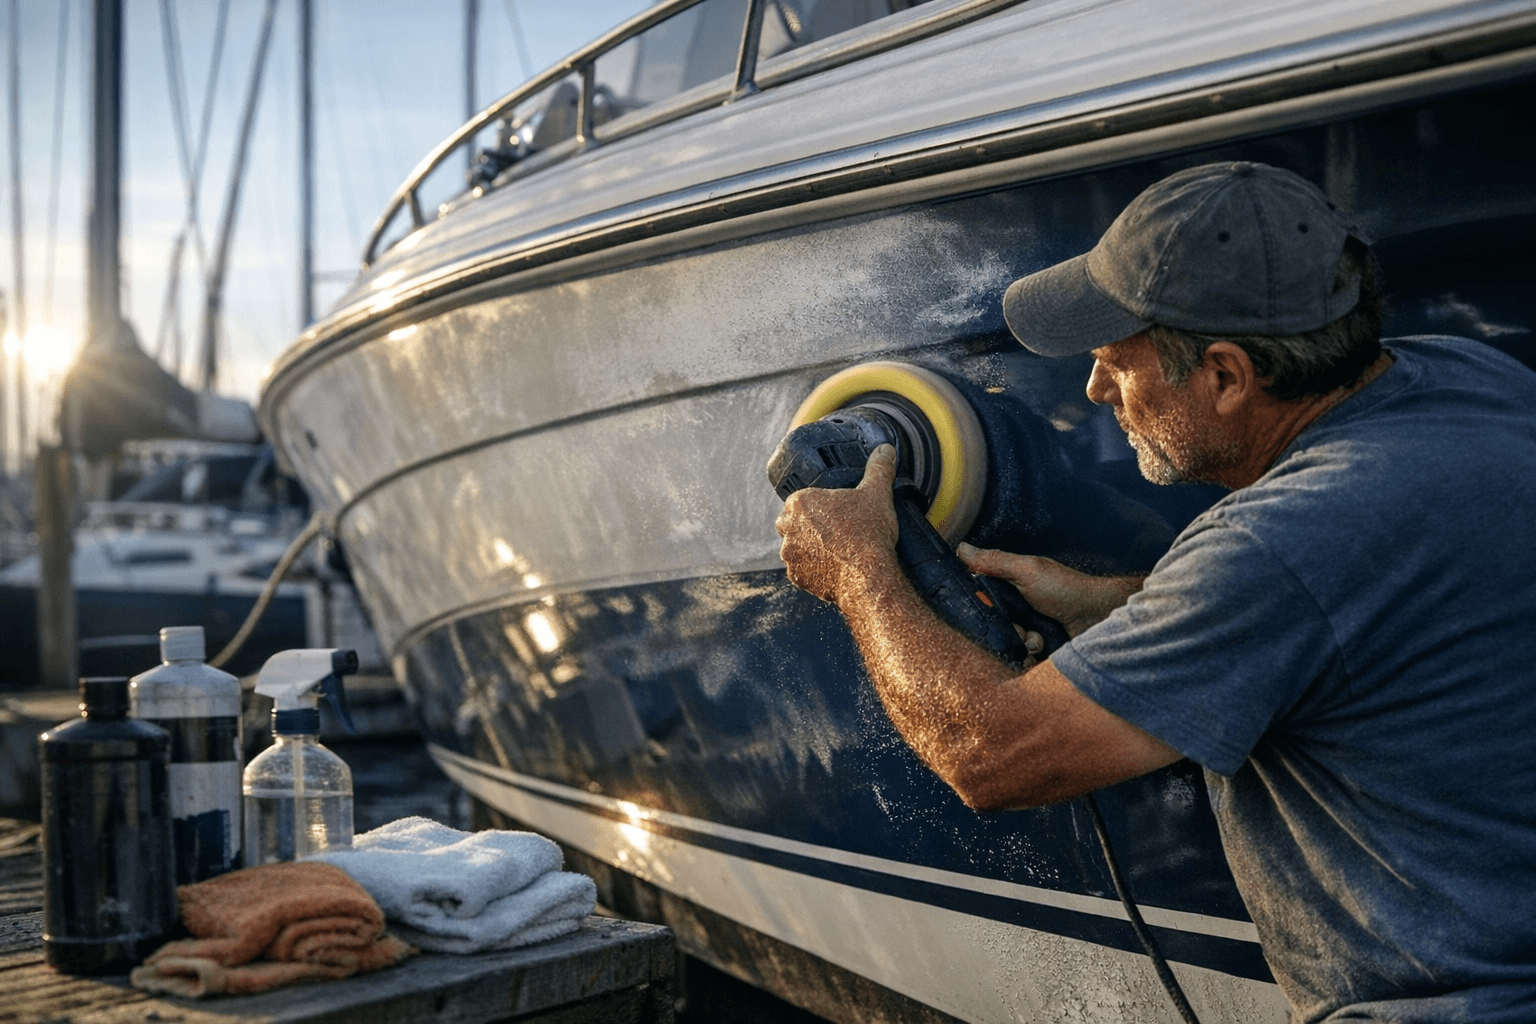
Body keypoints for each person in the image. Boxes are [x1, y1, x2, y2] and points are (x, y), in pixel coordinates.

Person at [774, 161, 1536, 1022]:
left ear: (1225, 375)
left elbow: (994, 755)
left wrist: (860, 572)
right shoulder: (1467, 380)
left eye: (1113, 362)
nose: (1097, 391)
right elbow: (1364, 609)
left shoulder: (1279, 542)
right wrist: (1119, 608)